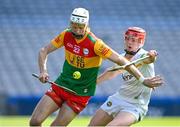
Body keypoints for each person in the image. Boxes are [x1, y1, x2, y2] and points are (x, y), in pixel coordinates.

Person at [29, 7, 163, 126]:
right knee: (35, 122)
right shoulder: (66, 35)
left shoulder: (96, 44)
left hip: (80, 94)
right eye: (74, 26)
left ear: (86, 25)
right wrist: (43, 71)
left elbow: (131, 60)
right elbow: (43, 51)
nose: (76, 30)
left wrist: (143, 79)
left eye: (80, 27)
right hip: (61, 85)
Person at [88, 27, 163, 126]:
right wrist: (91, 84)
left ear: (141, 42)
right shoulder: (122, 57)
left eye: (133, 40)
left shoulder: (143, 56)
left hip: (135, 105)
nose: (129, 42)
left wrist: (152, 55)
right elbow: (111, 72)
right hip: (118, 98)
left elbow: (151, 59)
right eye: (127, 38)